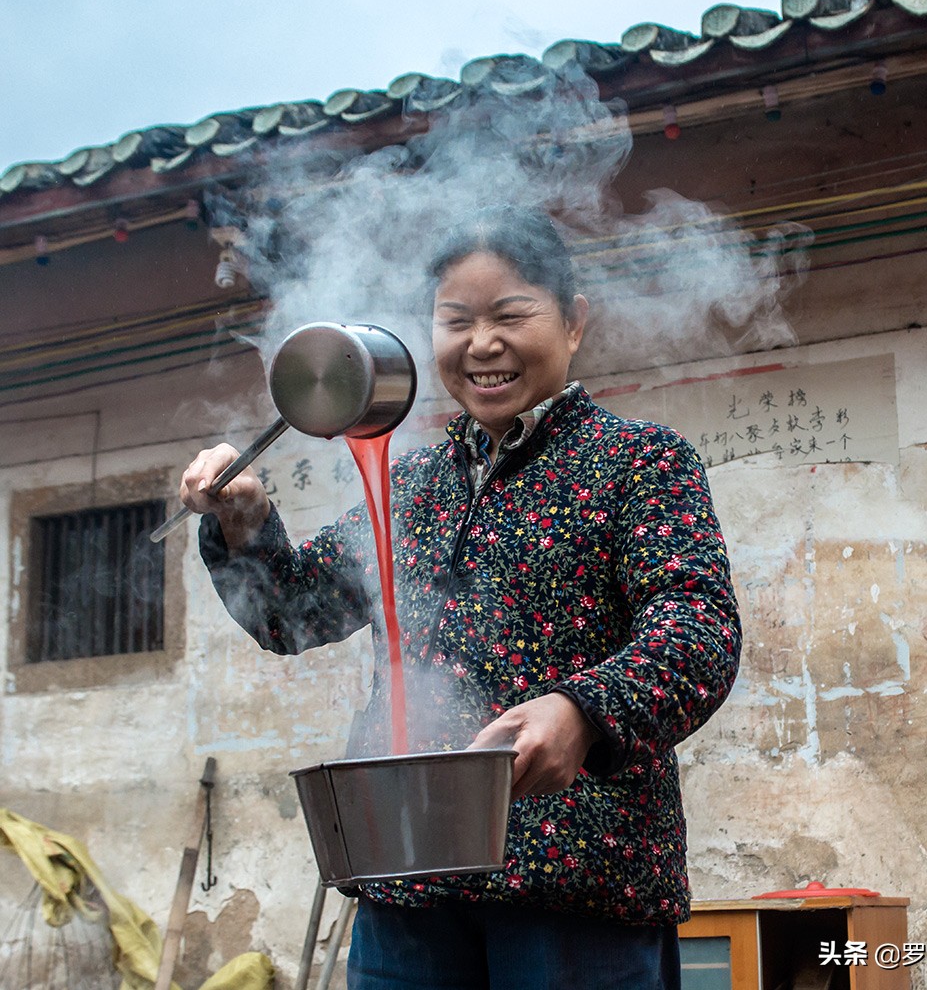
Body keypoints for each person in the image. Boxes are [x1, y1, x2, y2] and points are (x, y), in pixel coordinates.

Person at [180, 205, 741, 989]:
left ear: (574, 322)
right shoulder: (412, 486)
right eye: (456, 321)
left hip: (573, 892)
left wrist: (582, 711)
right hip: (405, 888)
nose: (482, 344)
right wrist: (243, 521)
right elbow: (292, 614)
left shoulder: (637, 461)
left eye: (510, 315)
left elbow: (698, 631)